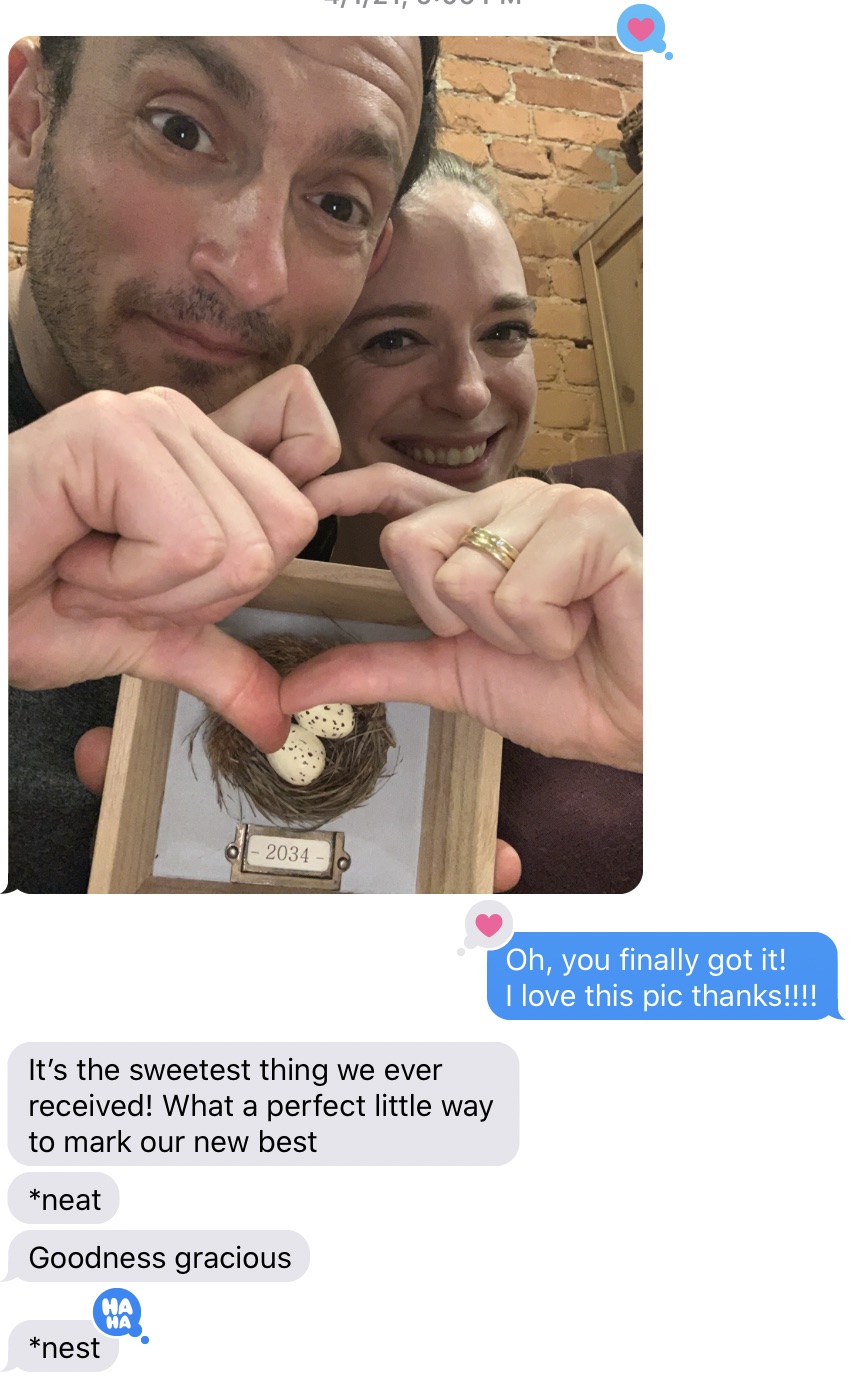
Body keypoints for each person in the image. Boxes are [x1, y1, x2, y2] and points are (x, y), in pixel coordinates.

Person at [7, 35, 439, 893]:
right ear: (29, 117)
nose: (253, 274)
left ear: (373, 256)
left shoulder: (323, 536)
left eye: (338, 204)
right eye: (179, 129)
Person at [301, 153, 642, 891]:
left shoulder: (639, 519)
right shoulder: (236, 613)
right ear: (305, 373)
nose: (466, 389)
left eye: (505, 331)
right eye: (394, 339)